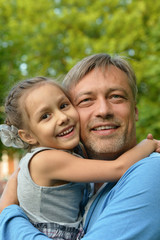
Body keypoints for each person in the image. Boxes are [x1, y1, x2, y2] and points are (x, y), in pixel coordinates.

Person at [0, 54, 160, 240]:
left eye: (116, 97)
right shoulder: (82, 179)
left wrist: (7, 215)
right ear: (27, 135)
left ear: (134, 111)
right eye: (86, 100)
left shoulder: (152, 171)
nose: (103, 111)